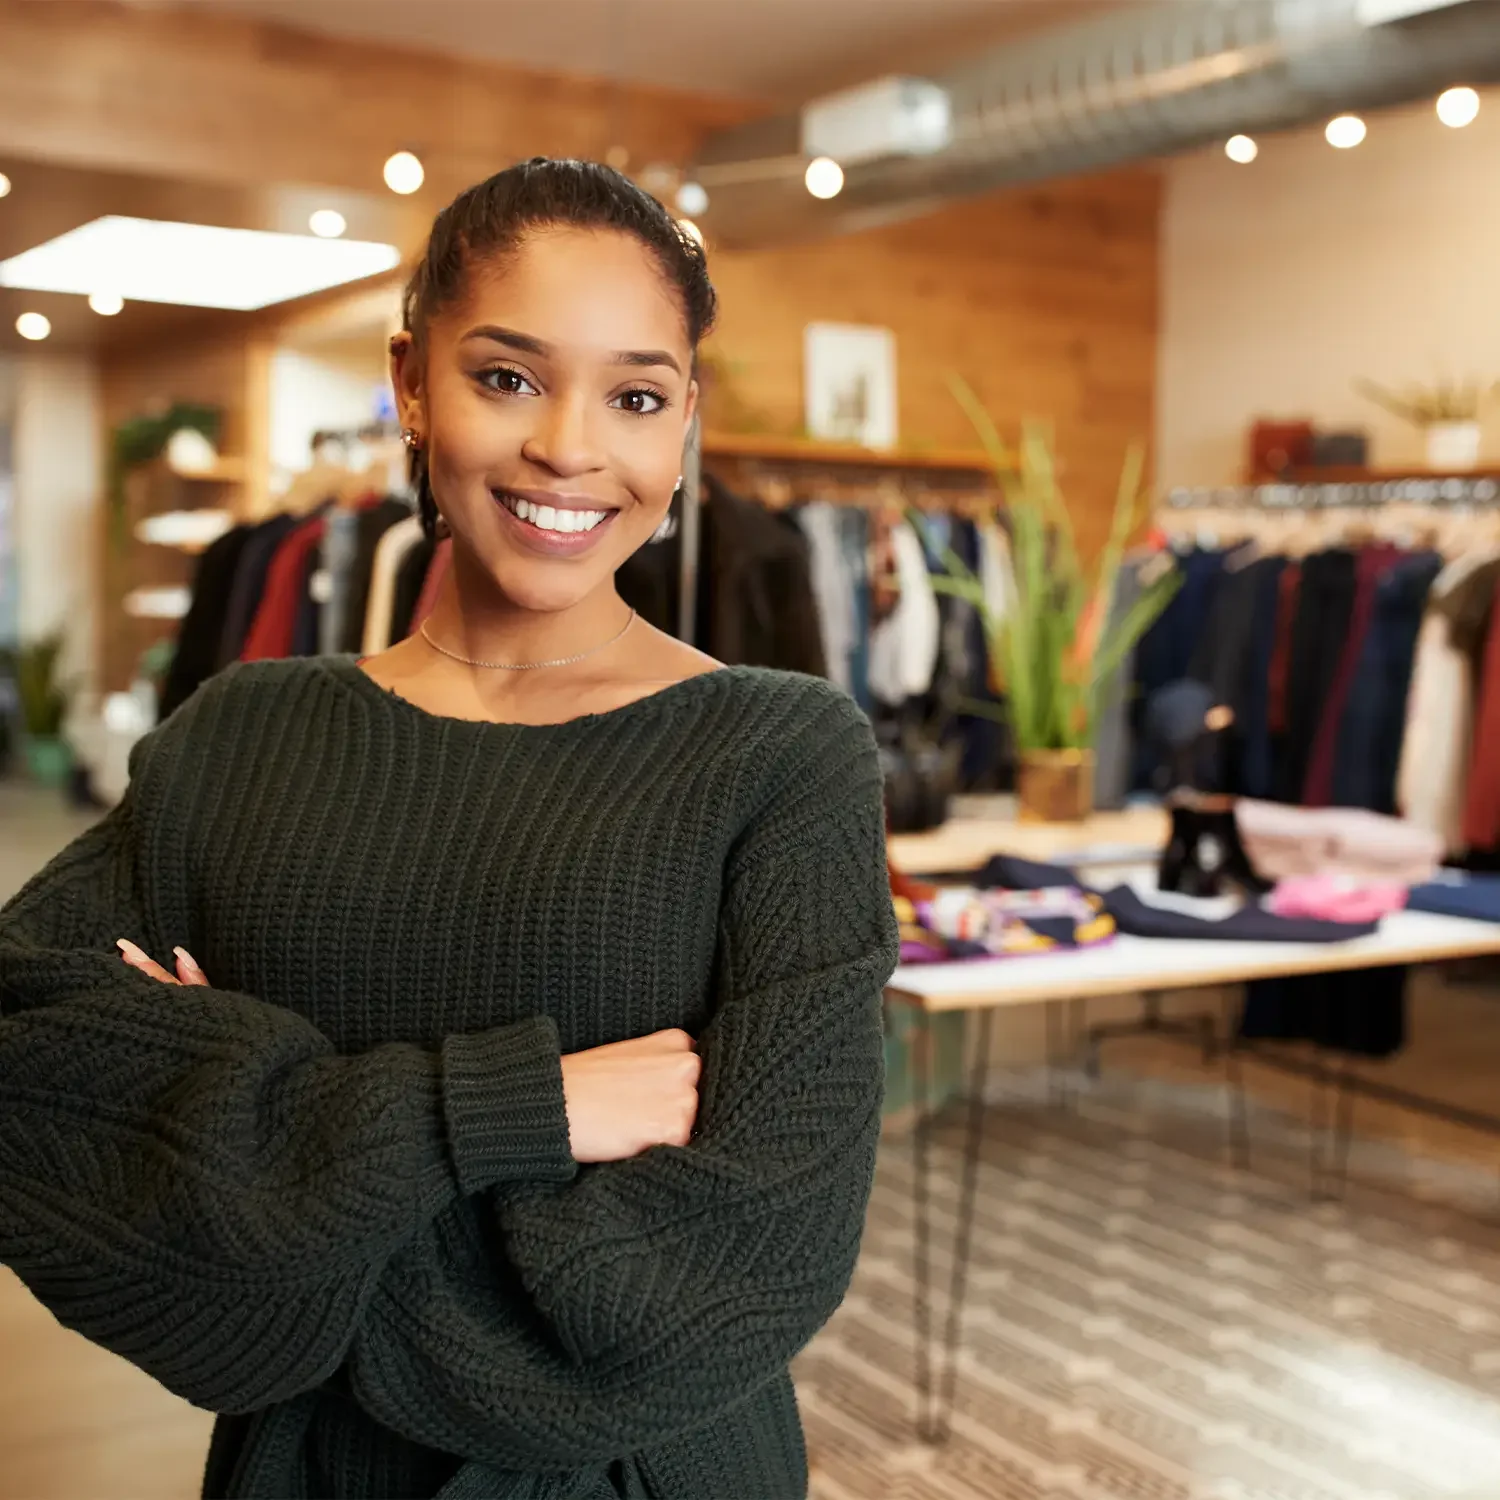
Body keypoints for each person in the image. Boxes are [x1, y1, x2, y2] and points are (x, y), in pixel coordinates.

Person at [0, 159, 899, 1500]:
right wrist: (502, 1111)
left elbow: (748, 1255)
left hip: (645, 1474)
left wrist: (284, 1213)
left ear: (684, 424)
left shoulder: (780, 755)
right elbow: (30, 1074)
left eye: (637, 396)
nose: (572, 448)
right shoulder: (241, 738)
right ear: (412, 383)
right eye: (509, 377)